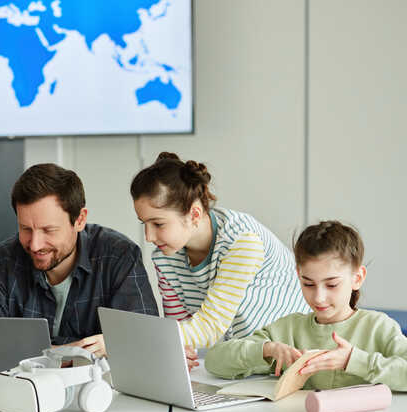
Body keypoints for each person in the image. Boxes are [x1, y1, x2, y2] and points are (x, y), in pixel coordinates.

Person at [0, 163, 158, 357]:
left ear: (79, 220)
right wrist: (71, 351)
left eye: (49, 230)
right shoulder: (4, 260)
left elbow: (145, 340)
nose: (35, 245)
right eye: (26, 229)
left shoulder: (119, 255)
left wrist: (23, 349)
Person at [130, 152, 308, 367]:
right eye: (144, 224)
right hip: (250, 359)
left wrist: (132, 342)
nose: (149, 237)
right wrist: (178, 353)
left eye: (158, 224)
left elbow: (209, 328)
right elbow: (179, 329)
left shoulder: (241, 240)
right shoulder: (165, 257)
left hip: (296, 353)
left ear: (194, 215)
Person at [205, 221, 407, 391]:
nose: (318, 298)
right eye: (308, 284)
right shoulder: (289, 329)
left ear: (357, 278)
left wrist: (353, 361)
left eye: (332, 284)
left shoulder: (378, 327)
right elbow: (214, 362)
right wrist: (265, 350)